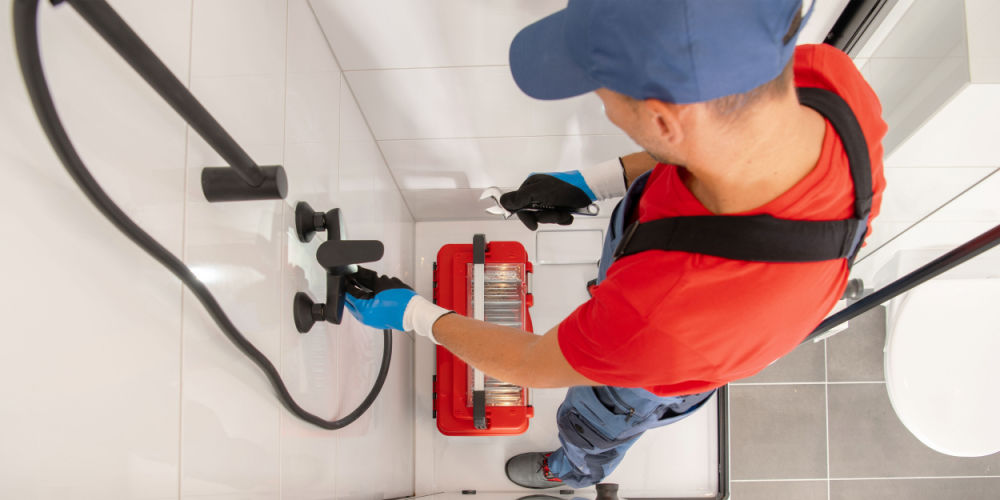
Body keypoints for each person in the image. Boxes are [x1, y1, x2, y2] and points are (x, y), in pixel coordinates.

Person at [343, 0, 887, 489]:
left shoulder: (663, 314)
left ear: (662, 120)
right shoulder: (825, 84)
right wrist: (593, 182)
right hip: (674, 296)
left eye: (603, 96)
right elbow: (713, 137)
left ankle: (574, 471)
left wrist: (413, 313)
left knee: (592, 423)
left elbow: (533, 362)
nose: (604, 108)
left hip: (654, 370)